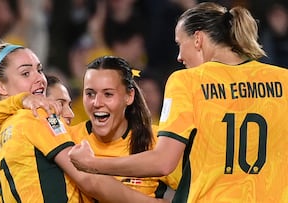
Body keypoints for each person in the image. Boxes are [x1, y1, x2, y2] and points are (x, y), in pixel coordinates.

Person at [69, 2, 288, 202]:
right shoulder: (283, 80)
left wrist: (94, 164)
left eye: (179, 44)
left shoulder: (187, 81)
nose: (179, 57)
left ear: (198, 39)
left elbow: (163, 162)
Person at [0, 38, 167, 203]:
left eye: (39, 69)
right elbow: (88, 178)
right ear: (0, 87)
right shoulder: (38, 117)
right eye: (26, 73)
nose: (39, 78)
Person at [68, 56, 181, 200]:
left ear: (129, 96)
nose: (97, 102)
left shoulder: (158, 142)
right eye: (90, 94)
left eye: (108, 94)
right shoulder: (70, 140)